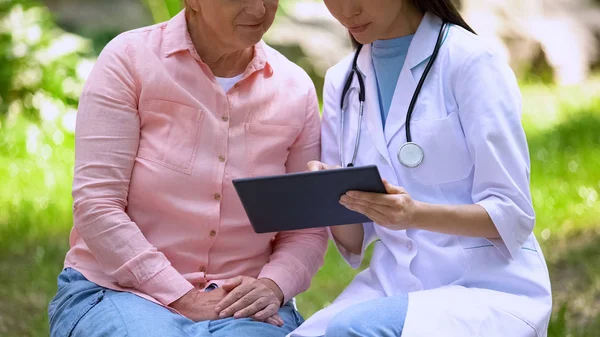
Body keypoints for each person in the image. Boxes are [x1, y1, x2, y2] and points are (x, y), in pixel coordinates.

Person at [47, 1, 329, 336]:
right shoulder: (130, 59)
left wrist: (273, 285)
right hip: (119, 291)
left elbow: (305, 229)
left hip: (242, 304)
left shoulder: (295, 88)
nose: (258, 8)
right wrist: (185, 298)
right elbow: (97, 205)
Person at [290, 0, 552, 336]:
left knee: (351, 329)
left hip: (487, 288)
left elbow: (512, 214)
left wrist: (414, 214)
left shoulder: (470, 61)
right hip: (392, 285)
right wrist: (330, 193)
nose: (345, 10)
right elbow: (354, 241)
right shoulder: (343, 82)